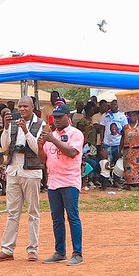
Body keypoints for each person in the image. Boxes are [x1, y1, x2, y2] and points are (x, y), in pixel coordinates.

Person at [0, 97, 46, 262]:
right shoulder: (13, 123)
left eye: (25, 106)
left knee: (33, 212)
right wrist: (6, 127)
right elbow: (5, 146)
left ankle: (33, 249)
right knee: (12, 212)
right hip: (13, 171)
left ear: (32, 107)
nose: (22, 109)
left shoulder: (40, 124)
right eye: (20, 107)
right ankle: (7, 249)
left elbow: (36, 148)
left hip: (31, 172)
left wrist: (26, 131)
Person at [40, 101, 85, 264]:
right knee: (56, 218)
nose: (56, 120)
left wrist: (53, 139)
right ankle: (60, 252)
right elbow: (42, 159)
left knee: (73, 217)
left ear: (69, 117)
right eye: (54, 118)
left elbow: (72, 152)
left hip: (69, 181)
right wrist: (40, 146)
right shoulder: (52, 135)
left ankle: (77, 253)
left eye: (60, 117)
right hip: (53, 182)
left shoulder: (75, 134)